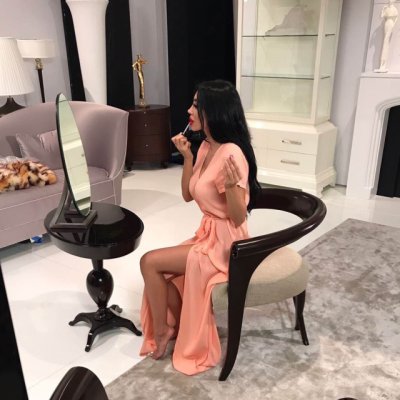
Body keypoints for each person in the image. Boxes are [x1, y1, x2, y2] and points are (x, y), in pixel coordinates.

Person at [139, 79, 261, 375]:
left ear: (212, 111)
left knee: (150, 262)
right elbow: (187, 194)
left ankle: (165, 331)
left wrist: (231, 187)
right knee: (161, 273)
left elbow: (238, 218)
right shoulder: (206, 146)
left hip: (226, 243)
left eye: (196, 105)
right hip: (207, 235)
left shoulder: (231, 153)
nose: (189, 110)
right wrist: (188, 158)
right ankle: (179, 325)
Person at [375, 0, 398, 73]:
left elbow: (396, 17)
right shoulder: (386, 8)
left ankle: (383, 62)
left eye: (391, 0)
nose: (390, 1)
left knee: (386, 40)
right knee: (385, 41)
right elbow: (382, 16)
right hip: (387, 23)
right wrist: (383, 9)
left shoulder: (394, 9)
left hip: (390, 23)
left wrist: (393, 24)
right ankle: (382, 64)